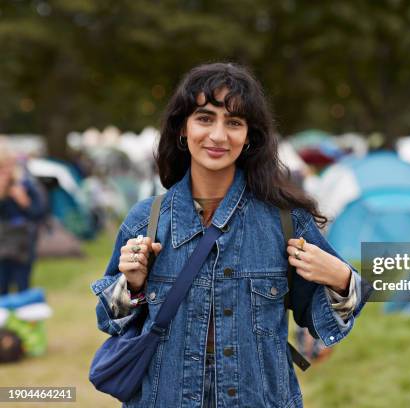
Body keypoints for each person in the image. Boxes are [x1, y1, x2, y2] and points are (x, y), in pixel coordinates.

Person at [91, 63, 369, 408]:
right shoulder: (145, 220)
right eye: (205, 118)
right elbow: (110, 321)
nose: (219, 136)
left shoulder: (285, 222)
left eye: (234, 122)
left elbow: (320, 323)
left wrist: (342, 280)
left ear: (250, 136)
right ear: (183, 127)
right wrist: (130, 287)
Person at [0, 139, 47, 295]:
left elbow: (39, 212)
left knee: (23, 287)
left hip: (22, 243)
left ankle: (23, 317)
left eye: (9, 165)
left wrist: (24, 202)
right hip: (2, 242)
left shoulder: (26, 184)